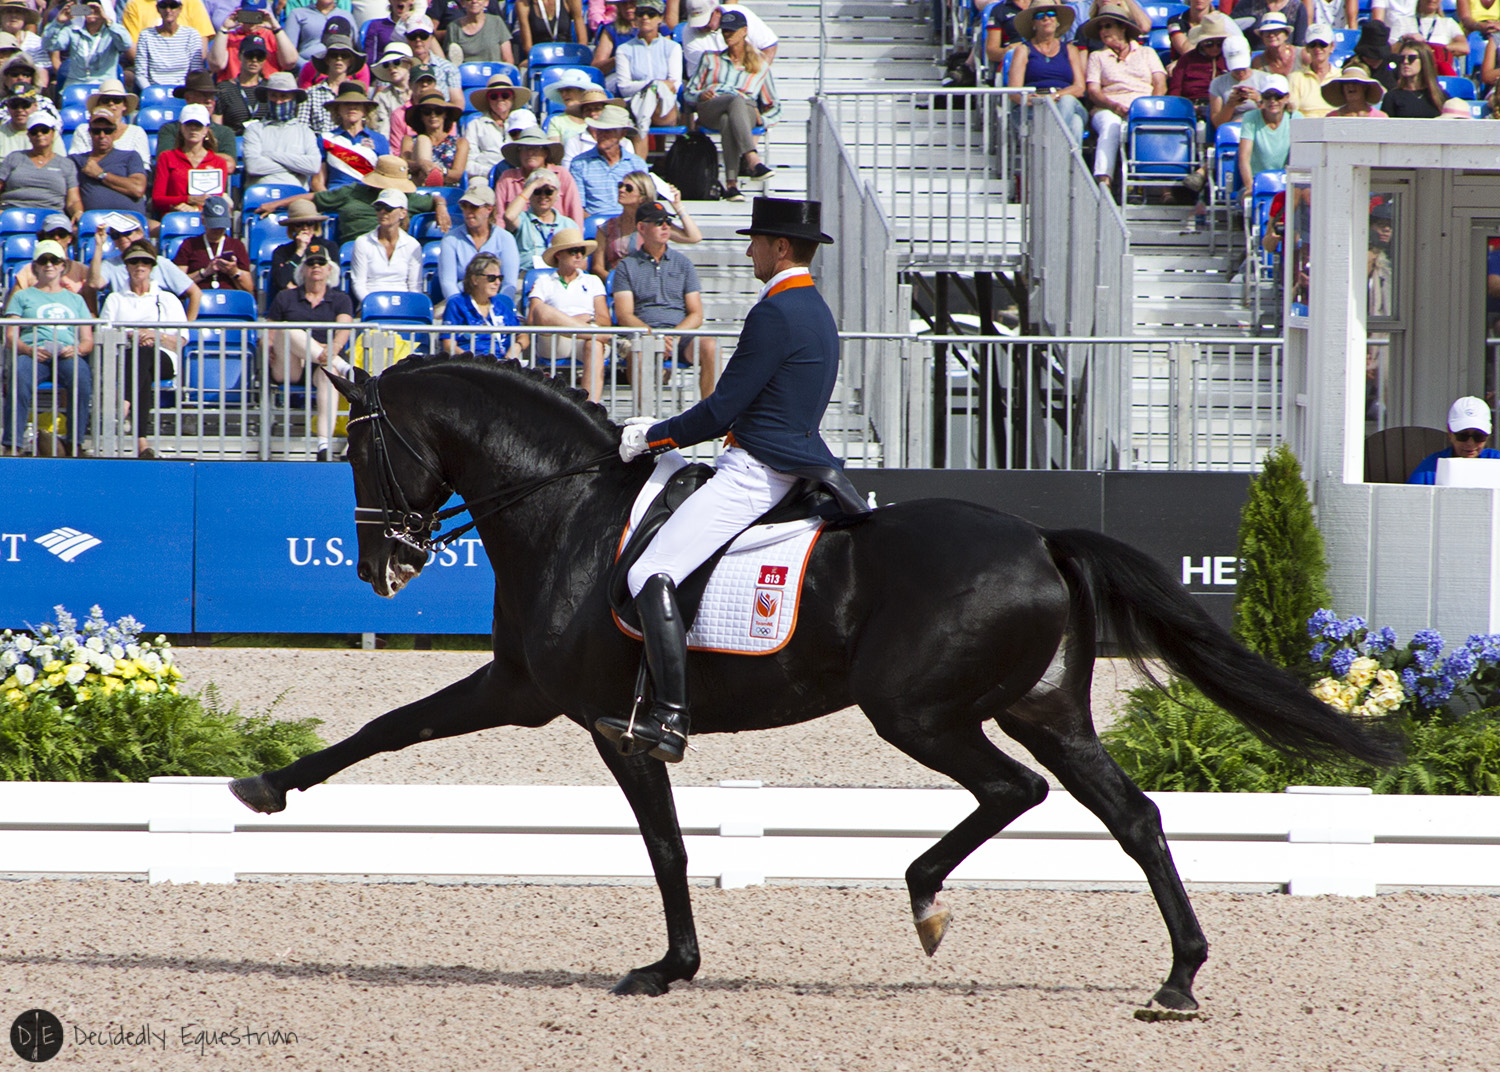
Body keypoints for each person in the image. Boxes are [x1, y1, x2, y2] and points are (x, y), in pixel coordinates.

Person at [594, 196, 839, 763]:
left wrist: (651, 436)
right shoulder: (812, 306)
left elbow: (720, 410)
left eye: (756, 240)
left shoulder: (776, 310)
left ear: (780, 248)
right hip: (785, 459)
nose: (748, 248)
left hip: (756, 471)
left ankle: (670, 718)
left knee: (651, 569)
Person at [612, 201, 715, 399]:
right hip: (644, 335)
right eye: (659, 222)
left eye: (667, 221)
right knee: (640, 350)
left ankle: (709, 417)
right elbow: (624, 314)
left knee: (710, 346)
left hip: (680, 336)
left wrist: (673, 336)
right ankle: (644, 418)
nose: (666, 226)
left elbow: (696, 313)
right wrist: (654, 337)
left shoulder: (683, 263)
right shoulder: (626, 266)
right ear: (641, 227)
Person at [1, 239, 93, 457]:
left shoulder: (76, 300)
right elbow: (11, 336)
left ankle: (75, 443)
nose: (49, 265)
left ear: (63, 266)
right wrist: (30, 350)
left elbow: (87, 340)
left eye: (54, 260)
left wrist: (77, 349)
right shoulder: (22, 296)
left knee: (81, 378)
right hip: (34, 352)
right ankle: (13, 443)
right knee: (19, 378)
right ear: (36, 266)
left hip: (67, 353)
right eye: (44, 260)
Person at [100, 239, 185, 459]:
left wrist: (156, 335)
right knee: (141, 369)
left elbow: (181, 340)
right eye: (134, 261)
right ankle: (141, 443)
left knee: (143, 355)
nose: (139, 266)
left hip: (162, 357)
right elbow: (104, 334)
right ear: (126, 266)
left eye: (145, 262)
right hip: (126, 357)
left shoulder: (167, 299)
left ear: (152, 267)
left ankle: (124, 403)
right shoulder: (115, 299)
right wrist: (131, 335)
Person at [266, 248, 354, 460]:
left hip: (322, 362)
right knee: (288, 330)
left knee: (329, 373)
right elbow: (268, 335)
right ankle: (343, 366)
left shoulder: (341, 299)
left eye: (321, 263)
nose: (316, 266)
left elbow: (343, 332)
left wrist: (329, 349)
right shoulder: (285, 297)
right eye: (311, 262)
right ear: (302, 269)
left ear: (329, 269)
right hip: (289, 363)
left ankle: (323, 446)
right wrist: (268, 347)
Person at [685, 9, 776, 202]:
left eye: (732, 31)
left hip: (744, 110)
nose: (727, 35)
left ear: (744, 31)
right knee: (734, 100)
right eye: (725, 31)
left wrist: (764, 118)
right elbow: (688, 93)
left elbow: (775, 105)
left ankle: (731, 185)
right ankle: (752, 159)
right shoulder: (710, 58)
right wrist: (701, 95)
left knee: (731, 116)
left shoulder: (760, 64)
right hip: (712, 105)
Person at [253, 153, 448, 241]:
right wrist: (275, 204)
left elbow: (435, 198)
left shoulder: (407, 197)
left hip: (393, 246)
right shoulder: (353, 191)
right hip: (355, 247)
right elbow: (314, 197)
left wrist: (441, 206)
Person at [1083, 0, 1165, 191]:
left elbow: (1160, 83)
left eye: (1108, 25)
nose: (1103, 31)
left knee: (1152, 123)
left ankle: (1157, 187)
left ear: (1122, 28)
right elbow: (1093, 91)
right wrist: (1113, 106)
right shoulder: (1097, 56)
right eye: (1101, 27)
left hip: (1143, 107)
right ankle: (1104, 181)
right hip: (1108, 107)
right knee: (1111, 125)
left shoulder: (1146, 52)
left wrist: (1148, 107)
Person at [527, 226, 607, 399]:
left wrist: (586, 319)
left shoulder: (593, 281)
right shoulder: (543, 281)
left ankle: (590, 407)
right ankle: (600, 336)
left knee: (594, 344)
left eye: (582, 251)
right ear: (558, 254)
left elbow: (604, 320)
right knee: (542, 310)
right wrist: (577, 320)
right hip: (555, 340)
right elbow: (534, 318)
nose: (579, 255)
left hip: (585, 341)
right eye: (573, 251)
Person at [88, 213, 203, 318]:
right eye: (116, 235)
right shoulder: (110, 264)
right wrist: (99, 245)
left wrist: (187, 327)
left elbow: (194, 292)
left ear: (140, 233)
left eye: (127, 232)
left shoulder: (161, 262)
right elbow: (94, 283)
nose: (122, 238)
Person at [591, 169, 699, 276]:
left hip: (647, 283)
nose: (621, 190)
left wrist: (677, 205)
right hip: (616, 285)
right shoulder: (606, 228)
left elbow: (694, 237)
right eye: (620, 185)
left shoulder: (654, 225)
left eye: (628, 188)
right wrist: (617, 284)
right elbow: (597, 267)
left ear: (642, 198)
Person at [1008, 6, 1088, 144]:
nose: (1046, 18)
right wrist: (1039, 101)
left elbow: (1080, 88)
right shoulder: (1023, 50)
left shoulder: (1070, 50)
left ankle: (1051, 150)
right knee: (1076, 124)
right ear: (1033, 23)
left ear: (1057, 21)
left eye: (1051, 14)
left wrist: (1053, 97)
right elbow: (1014, 92)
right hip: (1036, 105)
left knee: (1067, 101)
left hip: (1063, 99)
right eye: (1040, 15)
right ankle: (1062, 165)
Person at [438, 182, 518, 303]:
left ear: (489, 209)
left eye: (474, 206)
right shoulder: (450, 239)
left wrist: (497, 307)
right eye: (465, 206)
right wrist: (460, 306)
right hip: (461, 302)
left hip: (496, 303)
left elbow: (509, 284)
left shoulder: (506, 238)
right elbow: (448, 283)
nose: (469, 211)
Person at [492, 125, 585, 226]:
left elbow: (575, 213)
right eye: (524, 148)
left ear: (546, 152)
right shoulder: (507, 178)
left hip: (557, 237)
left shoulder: (562, 175)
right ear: (518, 153)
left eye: (536, 148)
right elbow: (500, 217)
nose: (530, 153)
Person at [243, 70, 321, 186]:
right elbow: (253, 166)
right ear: (267, 97)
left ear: (293, 99)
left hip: (296, 195)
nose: (278, 101)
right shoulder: (254, 129)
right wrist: (296, 166)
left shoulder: (305, 131)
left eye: (284, 96)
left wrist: (270, 155)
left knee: (305, 205)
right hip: (261, 193)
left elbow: (313, 166)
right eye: (273, 96)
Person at [616, 1, 682, 135]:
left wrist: (653, 89)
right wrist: (654, 85)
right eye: (640, 14)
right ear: (635, 18)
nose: (645, 17)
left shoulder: (672, 47)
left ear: (660, 18)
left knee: (646, 109)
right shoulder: (624, 49)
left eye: (651, 14)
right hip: (634, 103)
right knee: (641, 109)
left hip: (664, 104)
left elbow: (675, 84)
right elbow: (623, 88)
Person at [0, 112, 80, 219]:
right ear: (29, 135)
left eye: (44, 130)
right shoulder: (14, 157)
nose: (39, 134)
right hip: (13, 211)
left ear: (53, 133)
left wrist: (77, 212)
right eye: (34, 132)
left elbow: (73, 200)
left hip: (51, 214)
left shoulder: (66, 164)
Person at [69, 109, 148, 216]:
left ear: (115, 133)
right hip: (94, 222)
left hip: (130, 222)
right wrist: (77, 212)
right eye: (96, 131)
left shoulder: (131, 156)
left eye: (108, 131)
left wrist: (101, 174)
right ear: (90, 133)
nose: (102, 135)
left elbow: (138, 189)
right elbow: (72, 198)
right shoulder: (77, 161)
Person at [349, 186, 422, 300]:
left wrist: (409, 307)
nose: (382, 212)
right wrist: (372, 305)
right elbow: (359, 284)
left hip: (402, 303)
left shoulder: (412, 245)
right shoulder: (362, 242)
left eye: (388, 208)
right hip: (371, 302)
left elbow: (415, 286)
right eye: (378, 207)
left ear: (403, 213)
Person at [441, 251, 519, 357]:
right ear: (475, 279)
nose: (497, 283)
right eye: (491, 278)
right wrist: (471, 361)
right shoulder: (456, 304)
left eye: (500, 278)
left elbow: (522, 335)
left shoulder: (500, 306)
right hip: (468, 363)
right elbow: (448, 344)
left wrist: (516, 348)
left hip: (499, 363)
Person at [155, 71, 239, 168]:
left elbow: (229, 166)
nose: (209, 101)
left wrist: (188, 157)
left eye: (212, 96)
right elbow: (165, 162)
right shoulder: (170, 129)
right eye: (203, 95)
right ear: (188, 99)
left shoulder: (225, 132)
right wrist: (213, 160)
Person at [4, 213, 89, 308]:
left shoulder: (83, 271)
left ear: (70, 238)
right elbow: (12, 309)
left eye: (62, 234)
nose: (56, 238)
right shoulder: (28, 270)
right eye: (51, 234)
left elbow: (91, 313)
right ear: (43, 237)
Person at [1408, 396, 1500, 483]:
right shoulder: (1431, 468)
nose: (1470, 443)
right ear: (1450, 433)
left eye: (1479, 436)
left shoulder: (1496, 461)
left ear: (1489, 434)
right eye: (1462, 436)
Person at [41, 1, 135, 85]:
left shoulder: (113, 31)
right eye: (86, 7)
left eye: (96, 7)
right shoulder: (72, 30)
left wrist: (107, 20)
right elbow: (48, 45)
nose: (91, 11)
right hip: (77, 84)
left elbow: (126, 44)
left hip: (105, 84)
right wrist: (58, 23)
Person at [172, 194, 251, 291]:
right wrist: (204, 272)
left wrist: (234, 272)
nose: (218, 230)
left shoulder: (236, 245)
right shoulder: (190, 244)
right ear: (203, 220)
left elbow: (248, 288)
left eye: (221, 226)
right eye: (213, 226)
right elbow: (178, 283)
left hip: (229, 300)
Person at [316, 83, 389, 189]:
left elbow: (385, 178)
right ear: (337, 109)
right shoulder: (325, 139)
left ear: (365, 110)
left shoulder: (379, 139)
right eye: (346, 103)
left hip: (368, 197)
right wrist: (328, 201)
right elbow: (317, 182)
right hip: (336, 196)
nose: (352, 107)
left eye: (357, 103)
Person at [507, 166, 578, 274]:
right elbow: (509, 216)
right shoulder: (522, 219)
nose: (543, 196)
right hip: (526, 275)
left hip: (559, 277)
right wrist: (534, 185)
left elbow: (580, 260)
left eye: (549, 191)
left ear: (557, 194)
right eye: (537, 191)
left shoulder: (568, 224)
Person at [464, 72, 532, 183]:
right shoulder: (475, 125)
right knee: (476, 185)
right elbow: (468, 162)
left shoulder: (524, 120)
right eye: (494, 96)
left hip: (519, 173)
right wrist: (492, 172)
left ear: (512, 97)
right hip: (486, 176)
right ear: (488, 100)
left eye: (505, 95)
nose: (500, 99)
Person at [681, 0, 778, 77]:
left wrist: (757, 77)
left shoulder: (741, 13)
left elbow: (769, 45)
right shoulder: (688, 31)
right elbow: (696, 72)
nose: (701, 27)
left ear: (717, 12)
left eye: (706, 21)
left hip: (748, 75)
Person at [1237, 73, 1298, 191]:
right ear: (1261, 97)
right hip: (1256, 182)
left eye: (1278, 96)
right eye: (1267, 96)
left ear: (1286, 97)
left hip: (1287, 184)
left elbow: (1301, 158)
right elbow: (1244, 157)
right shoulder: (1250, 118)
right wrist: (1250, 188)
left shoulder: (1296, 118)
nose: (1272, 101)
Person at [1167, 12, 1232, 114]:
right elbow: (1175, 90)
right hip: (1191, 107)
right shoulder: (1186, 60)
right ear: (1201, 42)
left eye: (1219, 43)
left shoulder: (1229, 59)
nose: (1215, 48)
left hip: (1222, 108)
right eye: (1209, 44)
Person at [267, 199, 337, 293]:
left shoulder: (329, 247)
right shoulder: (281, 251)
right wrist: (299, 251)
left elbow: (334, 281)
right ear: (292, 227)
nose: (305, 227)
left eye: (310, 223)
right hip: (293, 303)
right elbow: (281, 282)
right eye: (299, 224)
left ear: (315, 225)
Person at [69, 80, 148, 161]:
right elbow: (75, 162)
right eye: (106, 99)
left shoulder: (136, 133)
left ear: (124, 105)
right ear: (98, 103)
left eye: (116, 100)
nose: (111, 103)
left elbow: (143, 167)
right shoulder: (83, 131)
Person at [400, 89, 467, 186]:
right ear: (421, 116)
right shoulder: (409, 140)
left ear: (445, 114)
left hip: (447, 188)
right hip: (418, 186)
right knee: (422, 140)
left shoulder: (460, 142)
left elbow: (457, 174)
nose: (433, 115)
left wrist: (438, 171)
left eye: (438, 111)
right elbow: (403, 165)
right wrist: (421, 164)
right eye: (427, 112)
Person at [135, 0, 207, 88]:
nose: (168, 10)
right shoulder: (146, 35)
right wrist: (151, 92)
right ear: (157, 8)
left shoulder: (191, 34)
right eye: (163, 6)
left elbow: (196, 71)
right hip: (155, 92)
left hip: (183, 92)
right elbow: (140, 74)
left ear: (180, 9)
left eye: (173, 6)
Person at [301, 33, 364, 131]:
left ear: (351, 61)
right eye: (334, 55)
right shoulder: (311, 94)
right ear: (327, 59)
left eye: (344, 55)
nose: (339, 58)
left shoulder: (357, 94)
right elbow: (302, 128)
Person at [1209, 33, 1272, 125]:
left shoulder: (1266, 79)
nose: (1240, 72)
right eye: (1235, 69)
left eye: (1243, 68)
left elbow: (1274, 118)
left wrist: (1259, 101)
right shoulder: (1217, 83)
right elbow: (1218, 124)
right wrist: (1230, 105)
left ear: (1250, 54)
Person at [401, 20, 463, 109]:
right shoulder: (397, 65)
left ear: (431, 38)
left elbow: (458, 105)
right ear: (407, 39)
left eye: (423, 36)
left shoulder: (448, 68)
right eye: (413, 36)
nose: (418, 40)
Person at [215, 35, 272, 132]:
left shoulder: (269, 88)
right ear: (240, 56)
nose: (254, 60)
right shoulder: (224, 88)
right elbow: (217, 128)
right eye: (249, 55)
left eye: (260, 57)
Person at [1383, 36, 1447, 115]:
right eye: (1402, 58)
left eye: (1411, 58)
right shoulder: (1392, 97)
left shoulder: (1440, 96)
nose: (1405, 62)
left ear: (1424, 61)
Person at [1287, 23, 1338, 116]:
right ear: (1307, 48)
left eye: (1323, 44)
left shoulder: (1341, 76)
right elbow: (1293, 113)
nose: (1317, 49)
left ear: (1332, 47)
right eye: (1312, 44)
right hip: (1307, 127)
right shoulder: (1295, 78)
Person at [1403, 0, 1468, 73]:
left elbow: (1464, 47)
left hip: (1438, 71)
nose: (1432, 0)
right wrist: (1408, 41)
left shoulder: (1448, 23)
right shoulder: (1404, 22)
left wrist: (1436, 49)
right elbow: (1393, 49)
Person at [368, 40, 414, 140]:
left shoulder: (421, 91)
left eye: (396, 62)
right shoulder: (381, 98)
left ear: (409, 64)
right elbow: (383, 131)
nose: (391, 68)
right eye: (386, 65)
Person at [541, 66, 598, 142]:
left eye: (568, 90)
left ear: (582, 91)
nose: (563, 95)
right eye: (561, 91)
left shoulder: (598, 117)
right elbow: (555, 151)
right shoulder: (556, 121)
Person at [515, 0, 587, 59]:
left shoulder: (570, 1)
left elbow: (582, 40)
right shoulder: (523, 4)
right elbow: (528, 47)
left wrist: (579, 56)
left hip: (567, 54)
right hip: (541, 56)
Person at [449, 0, 514, 64]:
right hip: (466, 72)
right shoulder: (454, 27)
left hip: (494, 71)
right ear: (462, 3)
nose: (474, 1)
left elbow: (508, 59)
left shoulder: (497, 22)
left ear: (486, 2)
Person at [591, 0, 636, 91]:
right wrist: (617, 59)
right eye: (624, 3)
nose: (628, 6)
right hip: (618, 76)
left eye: (632, 2)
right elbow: (596, 67)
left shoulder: (658, 29)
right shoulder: (611, 30)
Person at [1322, 59, 1389, 115]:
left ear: (1364, 86)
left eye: (1355, 82)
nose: (1350, 85)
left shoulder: (1380, 117)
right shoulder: (1332, 118)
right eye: (1346, 82)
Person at [361, 0, 414, 68]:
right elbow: (370, 60)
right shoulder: (376, 25)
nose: (400, 1)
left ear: (412, 1)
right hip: (383, 72)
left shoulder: (418, 26)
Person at [1352, 17, 1400, 87]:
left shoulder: (1396, 63)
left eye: (1379, 58)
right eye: (1370, 57)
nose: (1374, 61)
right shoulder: (1352, 65)